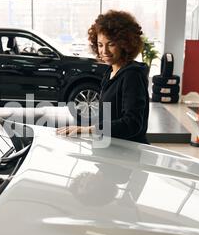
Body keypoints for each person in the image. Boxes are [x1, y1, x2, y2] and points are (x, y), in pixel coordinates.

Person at [57, 10, 150, 144]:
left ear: (125, 44)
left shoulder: (132, 76)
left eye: (111, 44)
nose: (104, 51)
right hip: (112, 147)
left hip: (128, 153)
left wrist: (88, 129)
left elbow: (132, 124)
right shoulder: (110, 72)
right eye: (100, 45)